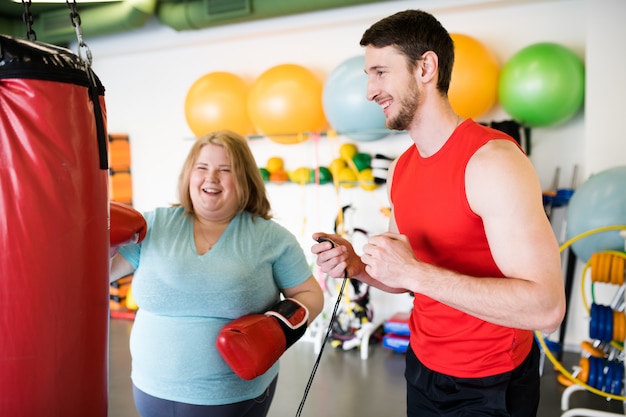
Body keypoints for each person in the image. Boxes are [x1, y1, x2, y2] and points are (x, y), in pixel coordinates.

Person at [311, 9, 566, 417]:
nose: (369, 91)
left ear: (426, 67)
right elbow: (405, 275)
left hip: (491, 383)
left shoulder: (492, 161)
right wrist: (356, 265)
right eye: (368, 75)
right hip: (422, 369)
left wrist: (413, 273)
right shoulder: (403, 168)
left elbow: (547, 308)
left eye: (380, 72)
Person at [110, 130, 324, 417]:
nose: (211, 178)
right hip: (150, 390)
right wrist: (98, 242)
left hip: (232, 397)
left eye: (226, 170)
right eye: (202, 167)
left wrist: (278, 326)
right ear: (189, 174)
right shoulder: (153, 225)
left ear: (245, 179)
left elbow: (309, 294)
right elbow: (100, 277)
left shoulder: (272, 238)